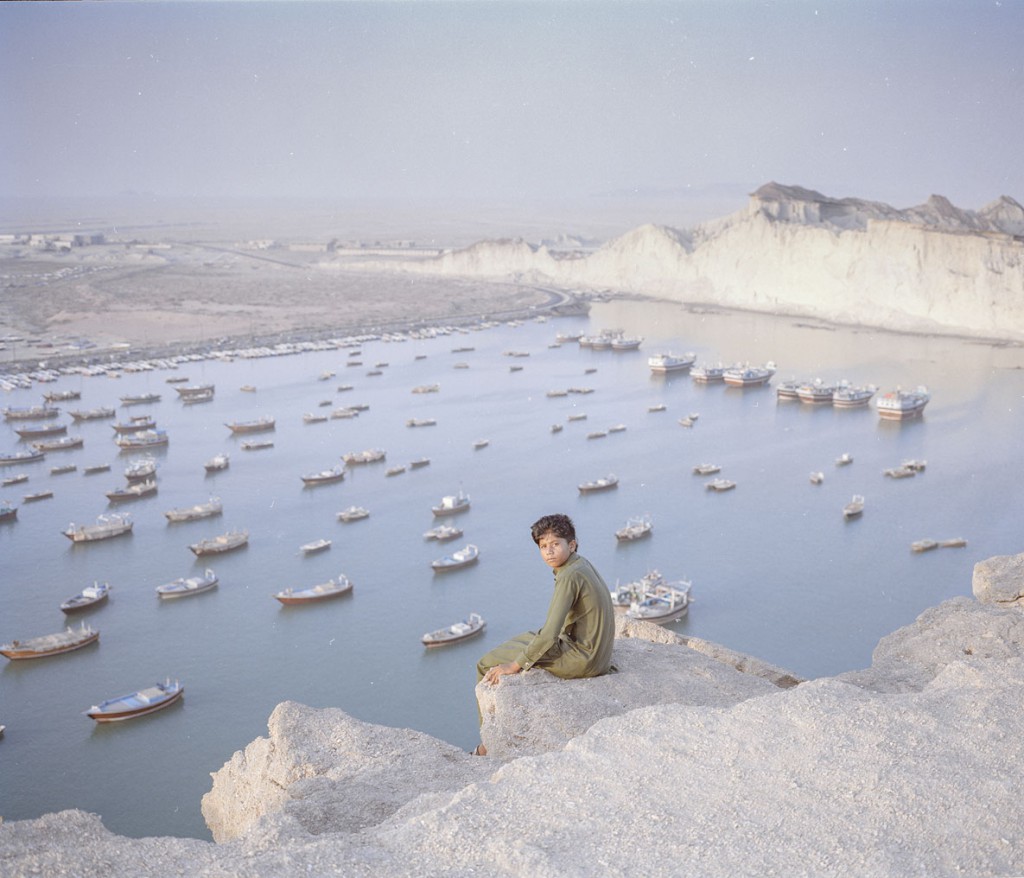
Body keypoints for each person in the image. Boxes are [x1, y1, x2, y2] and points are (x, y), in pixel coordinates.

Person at [472, 513, 615, 755]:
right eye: (543, 546)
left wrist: (514, 666)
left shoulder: (569, 576)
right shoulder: (580, 564)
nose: (549, 551)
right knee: (529, 636)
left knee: (485, 664)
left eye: (555, 544)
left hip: (582, 658)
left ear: (572, 544)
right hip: (596, 653)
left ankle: (488, 743)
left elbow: (549, 635)